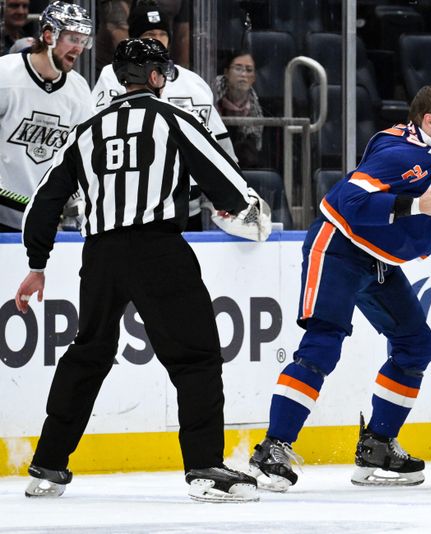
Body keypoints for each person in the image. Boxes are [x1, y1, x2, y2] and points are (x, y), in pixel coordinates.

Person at [14, 38, 267, 503]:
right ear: (153, 77)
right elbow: (227, 182)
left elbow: (42, 203)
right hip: (157, 250)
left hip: (101, 255)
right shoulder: (173, 120)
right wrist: (248, 211)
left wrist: (36, 264)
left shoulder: (86, 130)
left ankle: (48, 465)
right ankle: (205, 466)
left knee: (87, 354)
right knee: (196, 357)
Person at [248, 85, 431, 492]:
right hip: (338, 248)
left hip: (381, 263)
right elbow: (345, 202)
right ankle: (273, 449)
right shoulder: (400, 157)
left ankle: (377, 444)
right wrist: (413, 205)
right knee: (322, 345)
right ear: (430, 121)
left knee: (416, 345)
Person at [92, 0, 236, 229]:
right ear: (134, 39)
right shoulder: (114, 77)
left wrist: (231, 191)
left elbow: (219, 144)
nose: (157, 39)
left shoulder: (194, 84)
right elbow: (96, 138)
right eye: (149, 34)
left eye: (162, 33)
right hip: (134, 209)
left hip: (188, 210)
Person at [0, 1, 93, 232]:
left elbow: (80, 155)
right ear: (49, 35)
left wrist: (76, 198)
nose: (79, 48)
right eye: (72, 38)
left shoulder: (79, 89)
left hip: (46, 221)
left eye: (83, 41)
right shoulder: (4, 75)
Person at [213, 51, 264, 169]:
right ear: (226, 72)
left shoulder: (254, 104)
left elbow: (255, 145)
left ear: (254, 78)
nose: (244, 74)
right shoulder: (211, 91)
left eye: (249, 70)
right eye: (238, 68)